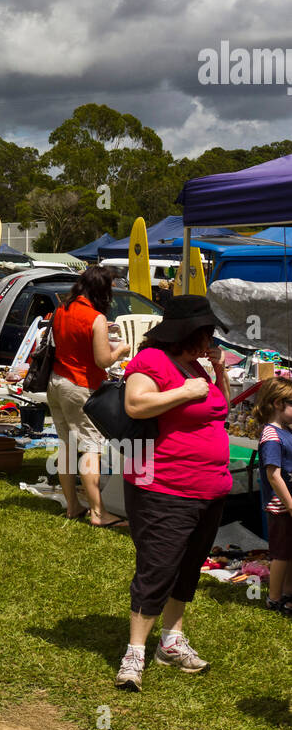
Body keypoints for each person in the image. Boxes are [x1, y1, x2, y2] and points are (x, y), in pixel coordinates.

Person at [115, 295, 232, 691]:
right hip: (165, 487)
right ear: (184, 332)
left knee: (187, 567)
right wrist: (185, 392)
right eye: (204, 334)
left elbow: (221, 408)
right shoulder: (151, 362)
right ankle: (134, 653)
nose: (209, 341)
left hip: (209, 488)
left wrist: (217, 372)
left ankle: (171, 640)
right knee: (158, 567)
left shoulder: (197, 367)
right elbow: (135, 404)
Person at [46, 265, 131, 528]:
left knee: (67, 446)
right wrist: (121, 350)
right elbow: (103, 359)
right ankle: (98, 513)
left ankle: (73, 506)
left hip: (56, 382)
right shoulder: (95, 319)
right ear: (101, 291)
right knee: (91, 448)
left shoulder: (62, 308)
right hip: (81, 386)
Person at [250, 377, 292, 617]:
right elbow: (274, 475)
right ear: (278, 403)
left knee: (290, 552)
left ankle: (287, 592)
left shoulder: (286, 431)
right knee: (281, 554)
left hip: (288, 503)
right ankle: (274, 598)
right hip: (281, 506)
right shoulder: (271, 435)